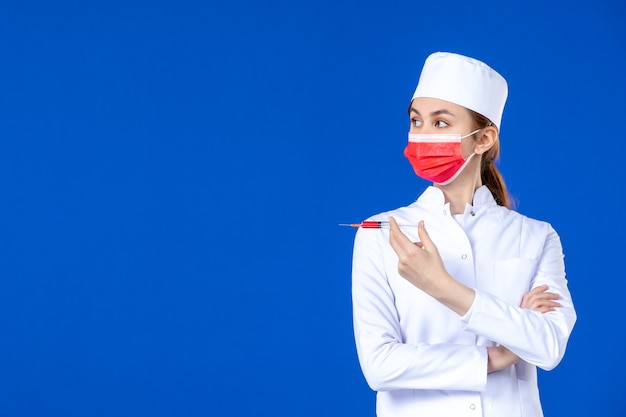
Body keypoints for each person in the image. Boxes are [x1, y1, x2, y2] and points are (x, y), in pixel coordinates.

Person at [351, 52, 576, 417]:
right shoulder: (381, 235)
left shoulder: (535, 236)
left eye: (440, 124)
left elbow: (549, 345)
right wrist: (496, 356)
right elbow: (380, 365)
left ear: (483, 138)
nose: (422, 136)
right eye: (416, 121)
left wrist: (443, 287)